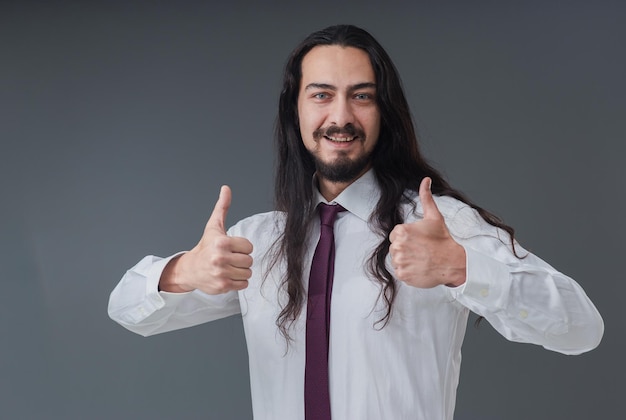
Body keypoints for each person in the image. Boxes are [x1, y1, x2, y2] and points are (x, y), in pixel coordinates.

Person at [108, 24, 603, 420]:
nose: (340, 117)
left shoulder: (438, 226)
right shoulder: (258, 243)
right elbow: (126, 309)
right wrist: (183, 273)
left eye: (361, 96)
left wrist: (462, 267)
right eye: (321, 95)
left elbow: (581, 329)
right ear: (295, 112)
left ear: (384, 111)